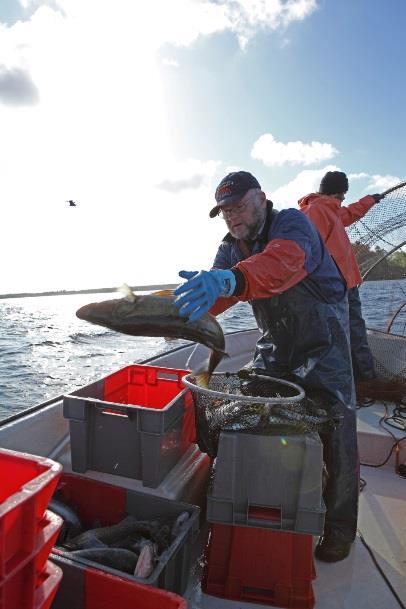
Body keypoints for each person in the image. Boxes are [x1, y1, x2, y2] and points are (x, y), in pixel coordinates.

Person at [174, 170, 358, 562]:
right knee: (251, 416)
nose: (232, 217)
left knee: (338, 432)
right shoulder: (230, 247)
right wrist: (180, 313)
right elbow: (218, 295)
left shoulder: (293, 223)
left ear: (260, 198)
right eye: (224, 212)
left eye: (238, 206)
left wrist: (229, 280)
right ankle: (262, 501)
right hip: (275, 346)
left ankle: (341, 528)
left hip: (324, 345)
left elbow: (282, 263)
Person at [298, 171, 383, 382]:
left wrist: (370, 200)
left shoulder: (331, 210)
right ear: (337, 193)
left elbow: (351, 213)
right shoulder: (315, 211)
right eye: (343, 195)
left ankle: (362, 376)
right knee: (344, 334)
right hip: (334, 289)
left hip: (347, 285)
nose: (344, 200)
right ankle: (361, 380)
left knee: (354, 331)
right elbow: (305, 250)